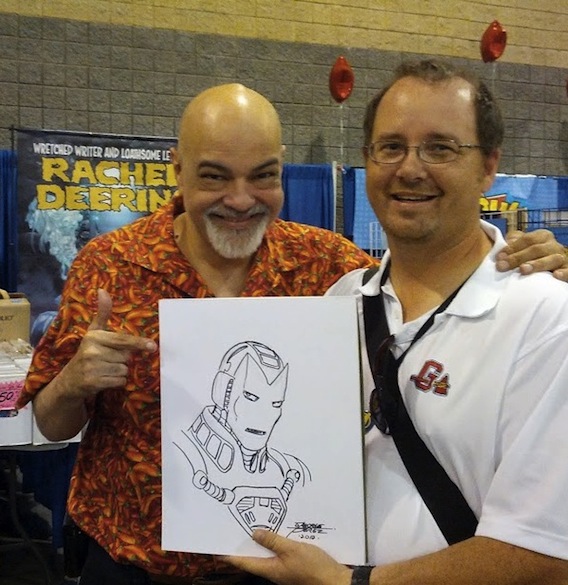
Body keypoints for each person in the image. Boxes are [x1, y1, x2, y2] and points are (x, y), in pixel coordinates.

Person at [15, 82, 568, 585]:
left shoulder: (327, 267)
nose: (240, 199)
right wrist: (74, 382)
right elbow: (50, 422)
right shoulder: (109, 266)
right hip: (131, 566)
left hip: (284, 573)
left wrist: (540, 264)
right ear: (178, 169)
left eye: (263, 175)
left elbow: (425, 276)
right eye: (214, 176)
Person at [225, 60, 568, 584]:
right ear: (367, 160)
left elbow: (545, 555)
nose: (410, 168)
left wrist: (353, 583)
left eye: (440, 148)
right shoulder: (342, 300)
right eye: (390, 147)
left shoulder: (547, 320)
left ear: (488, 166)